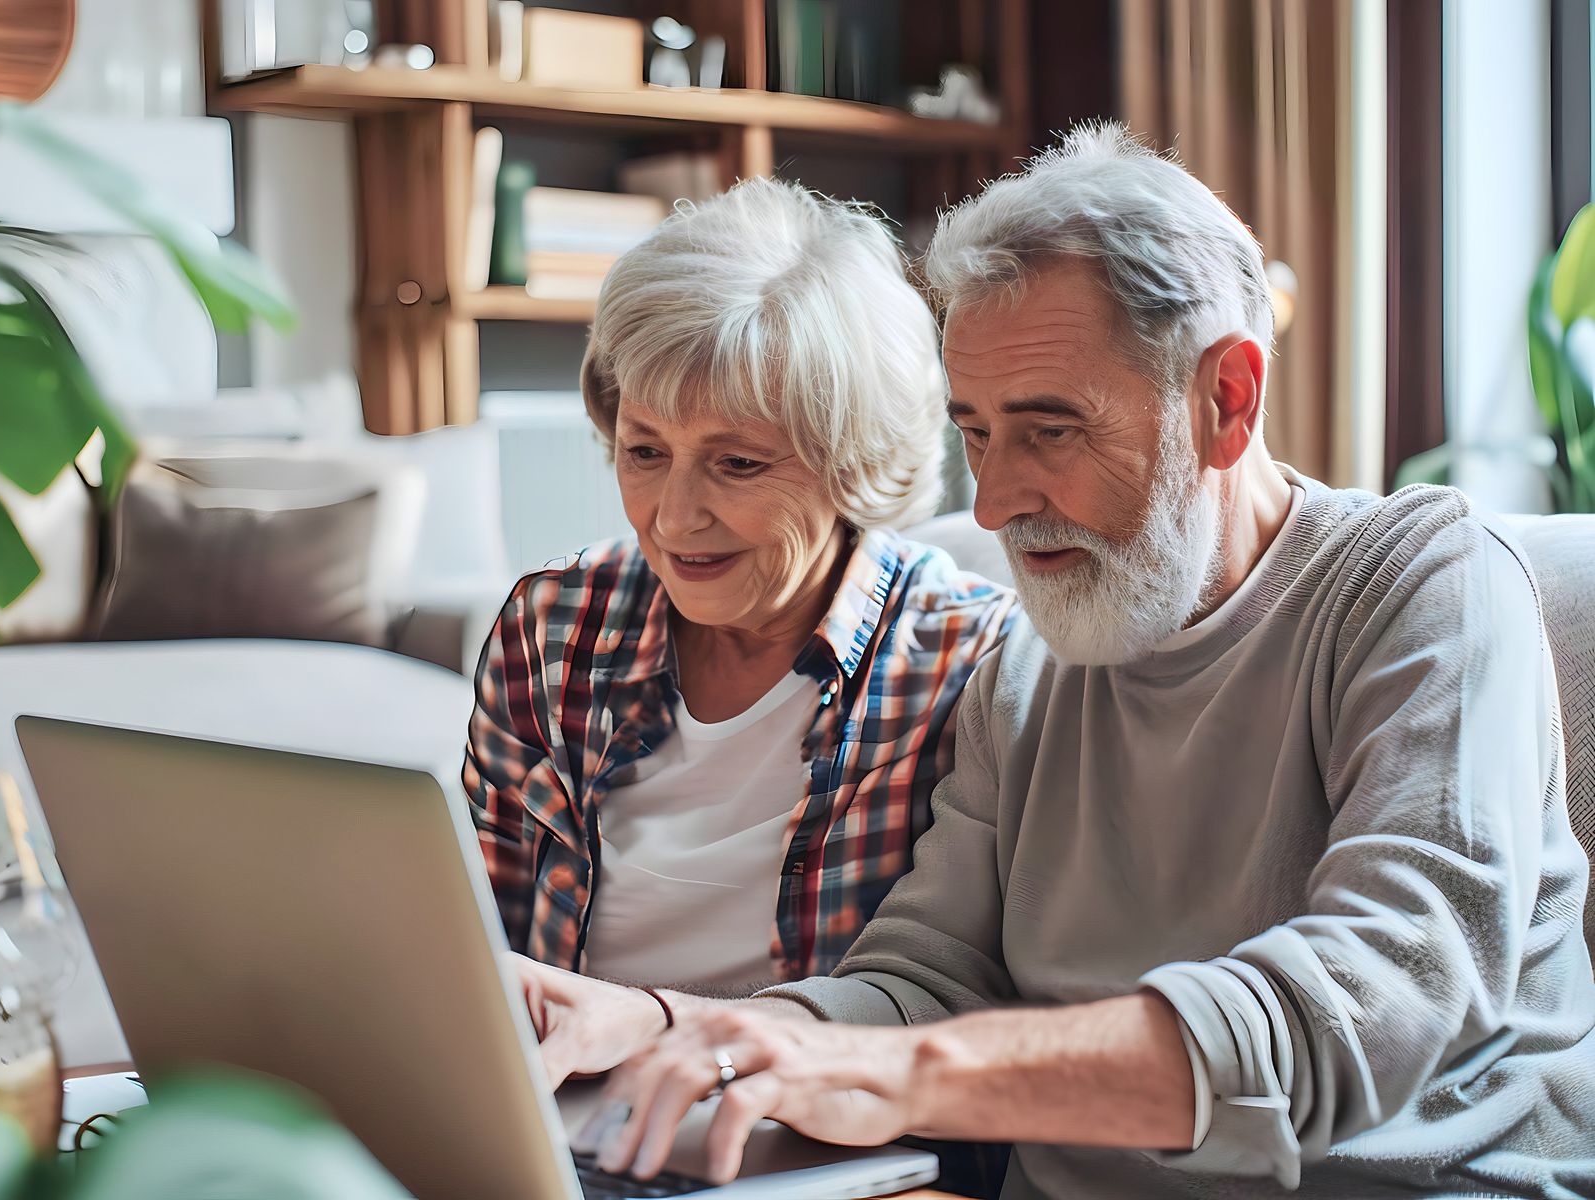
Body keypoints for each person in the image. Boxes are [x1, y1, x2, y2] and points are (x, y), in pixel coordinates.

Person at [514, 124, 1595, 1198]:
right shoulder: (1028, 667)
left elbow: (1380, 996)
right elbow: (920, 982)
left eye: (1050, 431)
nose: (992, 503)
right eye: (976, 433)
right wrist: (667, 1025)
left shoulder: (1425, 584)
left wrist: (909, 1074)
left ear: (1227, 399)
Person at [462, 178, 1017, 1004]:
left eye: (738, 463)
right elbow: (480, 945)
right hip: (557, 1083)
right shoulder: (554, 627)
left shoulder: (969, 666)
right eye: (645, 452)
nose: (674, 518)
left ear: (854, 464)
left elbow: (964, 997)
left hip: (806, 1089)